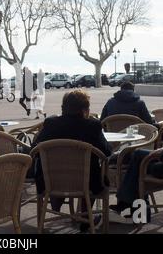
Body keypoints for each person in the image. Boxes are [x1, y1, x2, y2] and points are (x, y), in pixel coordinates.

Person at [32, 89, 112, 232]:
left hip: (51, 181)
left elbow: (35, 148)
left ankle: (57, 200)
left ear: (63, 108)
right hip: (86, 182)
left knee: (59, 170)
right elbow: (106, 152)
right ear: (85, 109)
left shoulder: (51, 123)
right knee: (93, 173)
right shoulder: (92, 126)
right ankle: (85, 217)